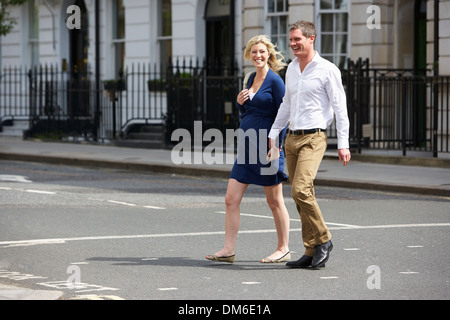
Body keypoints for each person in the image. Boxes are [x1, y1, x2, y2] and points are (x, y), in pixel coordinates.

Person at [268, 20, 351, 269]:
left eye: (297, 39)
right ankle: (310, 249)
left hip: (314, 137)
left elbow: (340, 108)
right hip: (291, 137)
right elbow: (286, 105)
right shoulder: (292, 69)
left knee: (301, 189)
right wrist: (274, 133)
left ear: (311, 38)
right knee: (300, 195)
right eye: (291, 40)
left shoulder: (327, 69)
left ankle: (324, 240)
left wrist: (343, 143)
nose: (292, 44)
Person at [206, 35, 291, 264]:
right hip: (246, 147)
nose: (258, 55)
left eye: (262, 51)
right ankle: (228, 249)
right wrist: (240, 103)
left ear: (269, 54)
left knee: (274, 202)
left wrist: (277, 146)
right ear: (249, 55)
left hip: (267, 148)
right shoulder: (250, 78)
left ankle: (283, 248)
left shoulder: (275, 82)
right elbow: (247, 114)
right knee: (230, 199)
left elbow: (283, 116)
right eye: (254, 52)